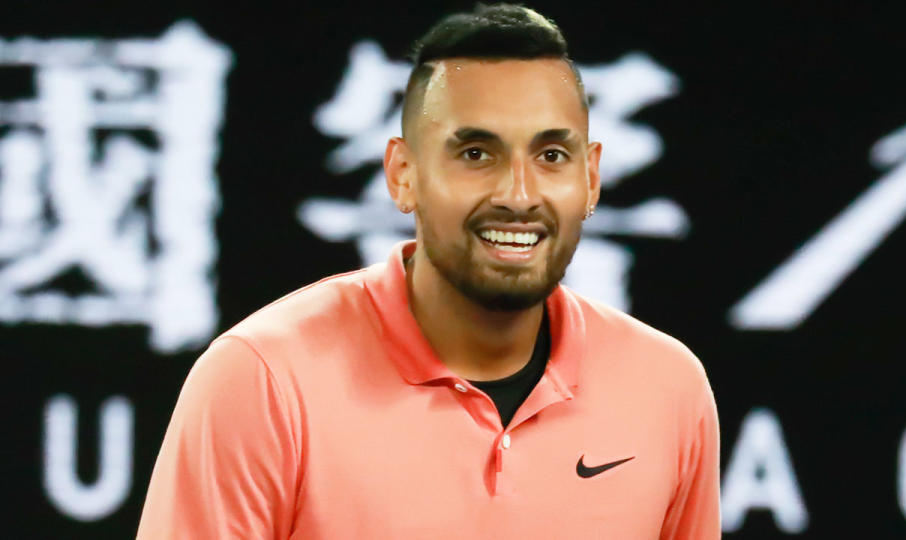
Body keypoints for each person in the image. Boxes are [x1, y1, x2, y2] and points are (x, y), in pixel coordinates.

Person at [137, 4, 720, 538]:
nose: (518, 194)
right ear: (402, 174)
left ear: (590, 179)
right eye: (475, 154)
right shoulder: (264, 380)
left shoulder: (669, 387)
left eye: (550, 156)